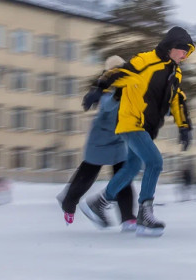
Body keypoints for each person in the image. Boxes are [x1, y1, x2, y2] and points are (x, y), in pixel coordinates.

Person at [79, 26, 195, 237]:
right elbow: (120, 72)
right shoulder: (146, 61)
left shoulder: (175, 73)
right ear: (170, 47)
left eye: (188, 51)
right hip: (132, 123)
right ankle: (145, 214)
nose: (185, 54)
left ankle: (99, 203)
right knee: (155, 162)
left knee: (132, 167)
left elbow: (177, 100)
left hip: (148, 128)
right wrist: (99, 88)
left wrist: (184, 126)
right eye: (182, 49)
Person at [56, 56, 137, 231]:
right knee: (88, 173)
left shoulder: (129, 85)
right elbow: (108, 105)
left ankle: (128, 218)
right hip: (101, 138)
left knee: (123, 177)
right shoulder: (106, 88)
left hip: (119, 138)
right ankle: (68, 201)